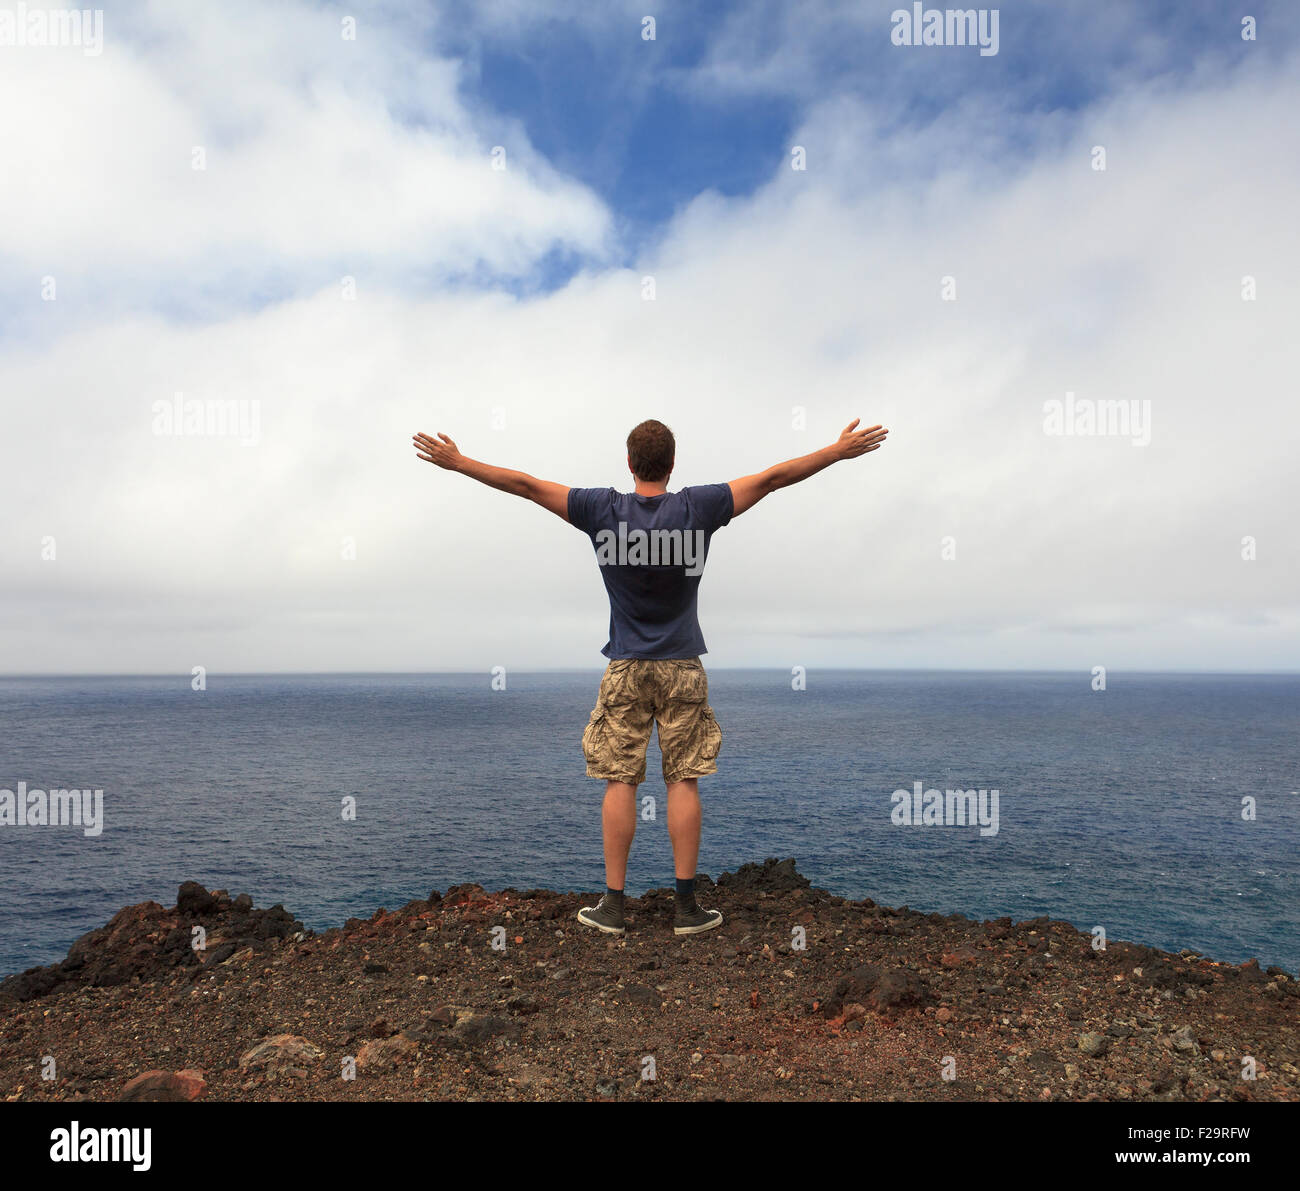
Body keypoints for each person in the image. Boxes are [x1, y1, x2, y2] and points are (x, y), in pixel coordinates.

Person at [412, 416, 889, 937]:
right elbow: (773, 477)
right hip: (682, 663)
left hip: (626, 666)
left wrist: (460, 464)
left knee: (621, 779)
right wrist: (836, 452)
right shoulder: (698, 507)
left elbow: (526, 486)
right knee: (683, 778)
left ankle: (614, 908)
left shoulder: (600, 509)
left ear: (629, 462)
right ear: (673, 463)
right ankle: (686, 910)